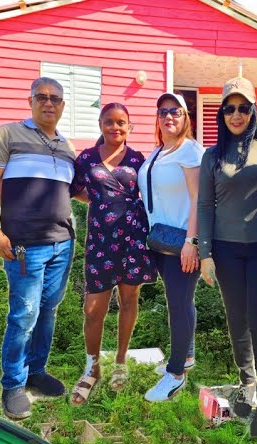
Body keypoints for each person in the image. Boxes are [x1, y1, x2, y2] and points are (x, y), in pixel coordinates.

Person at [0, 77, 78, 420]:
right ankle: (13, 384)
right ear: (31, 101)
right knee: (24, 315)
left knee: (48, 311)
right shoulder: (8, 135)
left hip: (62, 244)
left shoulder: (67, 147)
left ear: (63, 106)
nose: (49, 103)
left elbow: (75, 191)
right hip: (24, 246)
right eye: (42, 97)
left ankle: (36, 373)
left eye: (56, 99)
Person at [197, 76, 257, 437]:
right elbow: (204, 206)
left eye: (243, 107)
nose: (236, 114)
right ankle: (246, 381)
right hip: (225, 249)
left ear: (253, 111)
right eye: (229, 108)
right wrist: (204, 254)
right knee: (237, 320)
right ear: (222, 113)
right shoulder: (212, 155)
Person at [68, 102, 154, 404]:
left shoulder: (137, 158)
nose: (115, 127)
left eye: (121, 123)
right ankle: (92, 367)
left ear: (129, 126)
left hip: (132, 237)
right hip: (101, 241)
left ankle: (119, 361)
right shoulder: (88, 158)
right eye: (109, 122)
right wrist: (98, 202)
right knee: (93, 310)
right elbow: (74, 188)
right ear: (100, 124)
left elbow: (150, 191)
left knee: (129, 299)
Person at [137, 92, 204, 403]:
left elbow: (198, 200)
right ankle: (186, 356)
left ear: (185, 116)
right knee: (178, 301)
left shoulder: (189, 151)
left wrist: (192, 242)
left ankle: (175, 374)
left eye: (175, 111)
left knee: (178, 306)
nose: (169, 117)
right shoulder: (159, 152)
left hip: (182, 243)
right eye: (163, 111)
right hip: (160, 240)